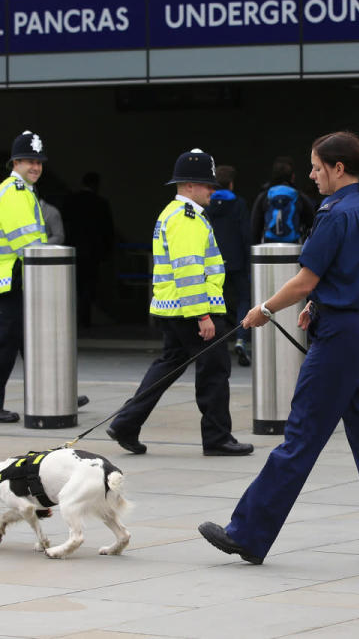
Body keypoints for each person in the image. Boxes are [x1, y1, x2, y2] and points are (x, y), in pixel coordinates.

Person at [199, 131, 359, 565]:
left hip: (341, 339)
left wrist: (263, 310)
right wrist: (321, 303)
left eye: (316, 167)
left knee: (301, 437)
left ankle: (247, 532)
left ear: (338, 168)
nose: (311, 175)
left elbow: (306, 277)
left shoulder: (334, 213)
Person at [106, 149, 253, 457]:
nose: (213, 190)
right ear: (188, 186)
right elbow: (189, 272)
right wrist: (203, 315)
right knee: (214, 370)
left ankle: (126, 423)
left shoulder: (177, 215)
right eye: (207, 185)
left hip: (176, 308)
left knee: (169, 365)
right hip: (193, 309)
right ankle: (217, 438)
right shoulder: (186, 219)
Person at [0, 130, 49, 423]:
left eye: (39, 162)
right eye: (29, 161)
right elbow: (28, 243)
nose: (35, 167)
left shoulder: (22, 190)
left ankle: (51, 392)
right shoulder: (14, 192)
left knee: (32, 340)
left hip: (17, 274)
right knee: (5, 341)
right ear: (15, 162)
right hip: (14, 275)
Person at [205, 164, 252, 366]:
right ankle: (241, 338)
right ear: (231, 184)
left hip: (214, 262)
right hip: (236, 261)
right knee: (244, 299)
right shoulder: (239, 204)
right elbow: (245, 234)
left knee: (217, 301)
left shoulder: (207, 205)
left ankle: (217, 342)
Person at [62, 172, 114, 328]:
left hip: (72, 251)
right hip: (93, 252)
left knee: (73, 286)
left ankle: (72, 319)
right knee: (89, 287)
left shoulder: (71, 201)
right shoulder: (101, 203)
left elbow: (64, 225)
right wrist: (107, 251)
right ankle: (84, 320)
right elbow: (108, 230)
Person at [250, 156, 316, 244]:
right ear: (293, 176)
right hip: (294, 248)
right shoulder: (299, 196)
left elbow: (255, 228)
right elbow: (313, 225)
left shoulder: (264, 196)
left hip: (269, 248)